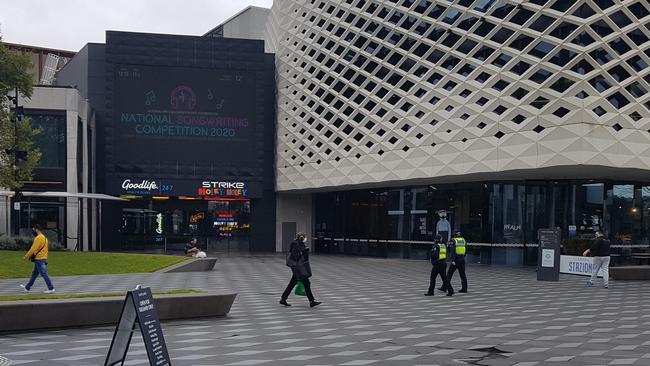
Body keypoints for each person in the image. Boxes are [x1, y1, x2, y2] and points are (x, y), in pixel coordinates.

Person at [280, 232, 321, 308]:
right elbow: (296, 255)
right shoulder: (298, 244)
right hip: (298, 267)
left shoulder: (294, 243)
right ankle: (311, 301)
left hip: (295, 267)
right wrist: (305, 250)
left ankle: (283, 298)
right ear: (302, 237)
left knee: (293, 283)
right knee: (306, 283)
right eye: (305, 237)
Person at [20, 224, 55, 294]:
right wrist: (44, 257)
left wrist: (26, 256)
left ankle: (51, 288)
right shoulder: (45, 238)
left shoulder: (38, 238)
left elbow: (33, 248)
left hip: (39, 259)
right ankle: (27, 288)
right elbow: (46, 250)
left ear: (36, 229)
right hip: (42, 258)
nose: (33, 231)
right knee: (34, 274)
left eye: (33, 230)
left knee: (44, 274)